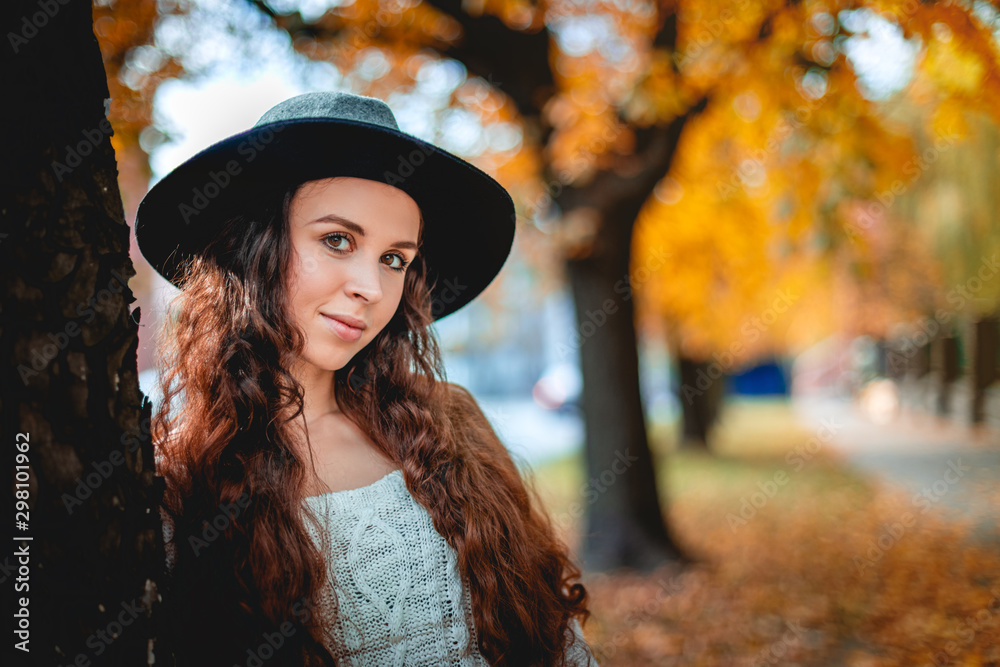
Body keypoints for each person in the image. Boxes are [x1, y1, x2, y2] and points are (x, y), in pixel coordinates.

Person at [135, 91, 598, 666]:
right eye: (337, 240)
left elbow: (556, 638)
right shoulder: (180, 483)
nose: (372, 289)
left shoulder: (451, 424)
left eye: (394, 258)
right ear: (252, 248)